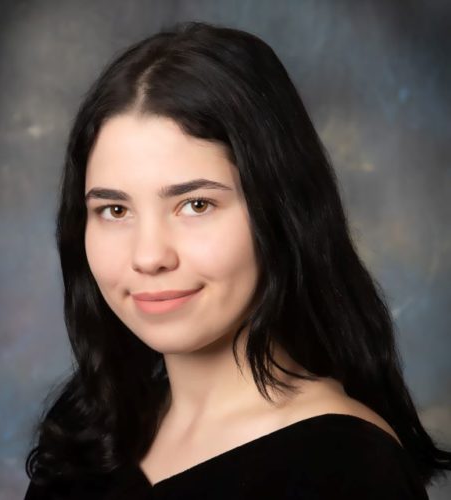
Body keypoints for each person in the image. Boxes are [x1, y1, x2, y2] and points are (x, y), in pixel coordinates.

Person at [24, 21, 450, 499]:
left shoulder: (348, 468)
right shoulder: (86, 429)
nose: (149, 256)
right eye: (115, 210)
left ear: (280, 211)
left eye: (196, 205)